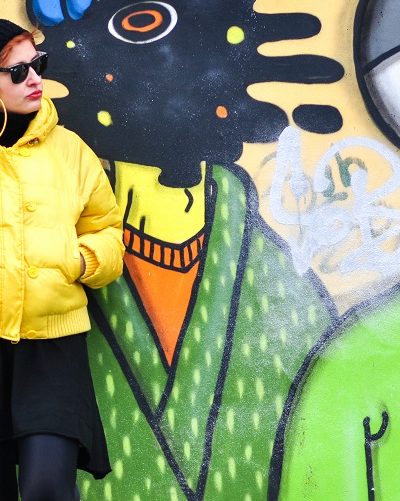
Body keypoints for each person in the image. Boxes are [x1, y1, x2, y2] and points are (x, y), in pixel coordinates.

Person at [0, 19, 124, 501]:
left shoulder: (70, 151)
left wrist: (80, 260)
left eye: (38, 65)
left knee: (47, 486)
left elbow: (107, 230)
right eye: (17, 72)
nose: (34, 79)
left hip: (52, 346)